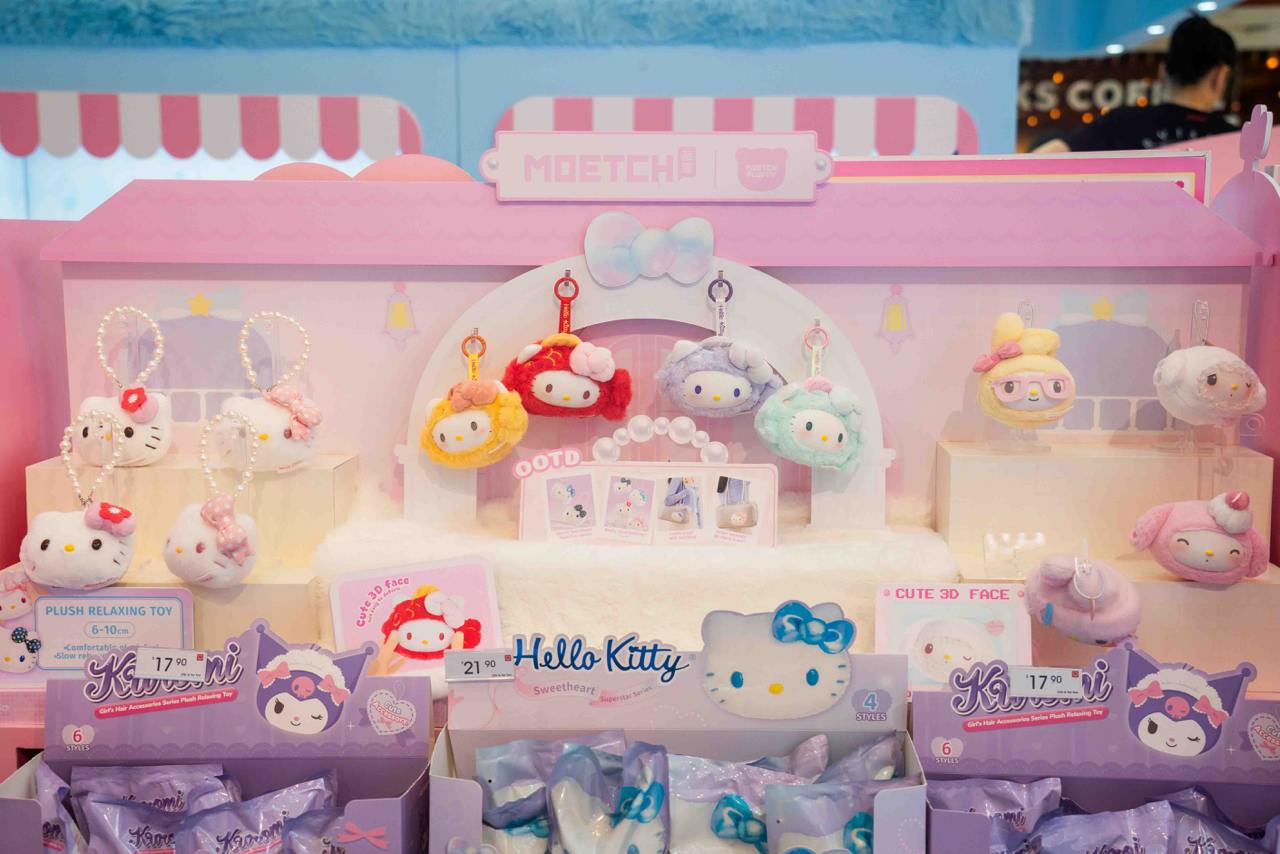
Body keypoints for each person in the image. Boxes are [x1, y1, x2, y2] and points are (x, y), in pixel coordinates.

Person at [1034, 15, 1237, 152]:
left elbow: (1050, 155)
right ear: (1220, 76)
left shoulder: (1121, 123)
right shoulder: (1235, 142)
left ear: (1163, 71)